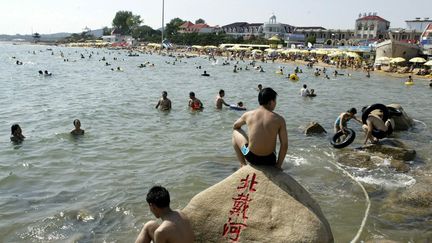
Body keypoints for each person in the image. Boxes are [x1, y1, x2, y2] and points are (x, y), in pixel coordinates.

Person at [232, 87, 288, 169]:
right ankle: (275, 165)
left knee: (235, 132)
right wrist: (278, 165)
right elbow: (285, 145)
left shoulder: (248, 115)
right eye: (275, 101)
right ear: (271, 102)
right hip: (270, 160)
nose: (275, 103)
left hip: (251, 157)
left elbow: (235, 126)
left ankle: (243, 164)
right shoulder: (279, 119)